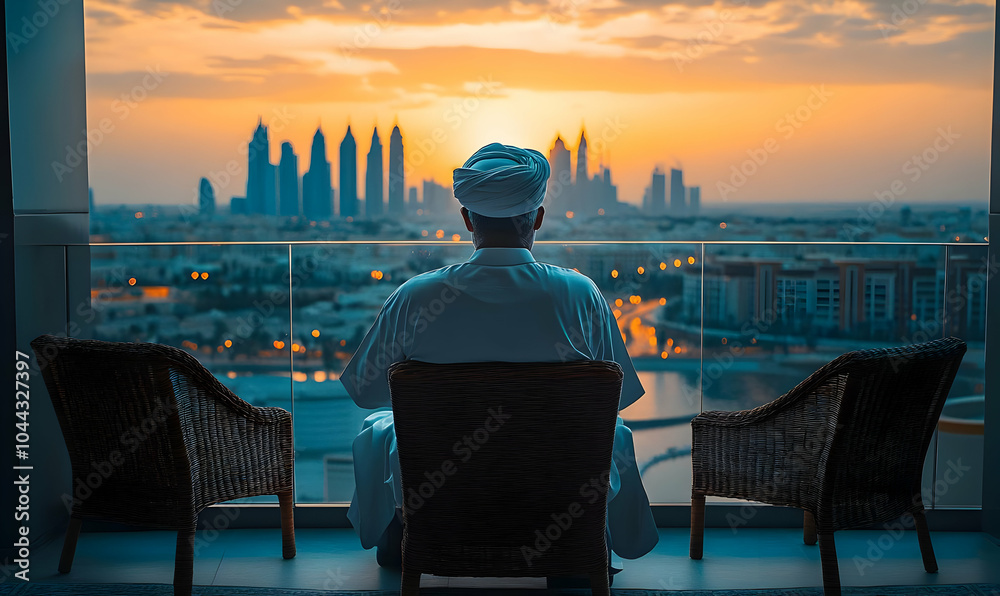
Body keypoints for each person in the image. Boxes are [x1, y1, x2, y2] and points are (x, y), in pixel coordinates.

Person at [340, 142, 659, 575]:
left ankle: (416, 540)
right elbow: (613, 399)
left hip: (442, 494)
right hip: (554, 494)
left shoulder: (415, 298)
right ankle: (572, 551)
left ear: (467, 218)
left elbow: (365, 392)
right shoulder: (580, 295)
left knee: (378, 428)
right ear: (539, 218)